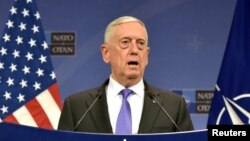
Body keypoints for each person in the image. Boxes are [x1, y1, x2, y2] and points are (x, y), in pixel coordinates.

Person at [57, 16, 194, 134]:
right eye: (125, 42)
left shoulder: (173, 106)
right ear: (106, 53)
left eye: (140, 44)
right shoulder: (76, 107)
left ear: (146, 56)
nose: (134, 50)